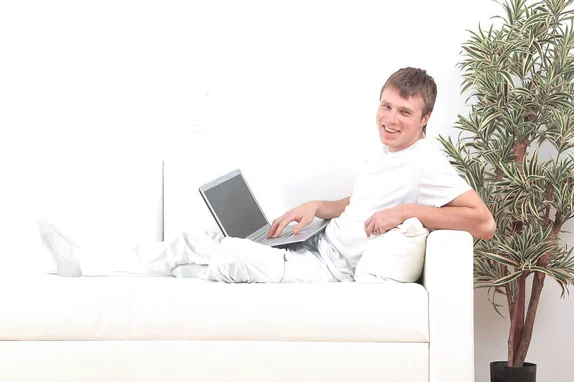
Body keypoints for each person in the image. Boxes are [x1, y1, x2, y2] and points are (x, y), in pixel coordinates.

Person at [39, 67, 495, 282]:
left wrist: (408, 212)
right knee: (201, 237)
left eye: (404, 112)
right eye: (386, 105)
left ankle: (160, 273)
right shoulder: (387, 153)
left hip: (327, 270)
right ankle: (83, 263)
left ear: (425, 118)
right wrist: (318, 207)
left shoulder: (426, 162)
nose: (390, 118)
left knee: (231, 254)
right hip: (316, 241)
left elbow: (483, 223)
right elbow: (361, 205)